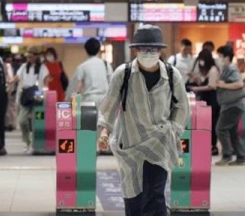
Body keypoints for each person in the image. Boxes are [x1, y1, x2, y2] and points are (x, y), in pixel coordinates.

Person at [98, 25, 189, 216]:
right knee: (133, 197)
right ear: (136, 50)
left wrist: (173, 130)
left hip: (159, 142)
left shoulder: (172, 75)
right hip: (130, 144)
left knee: (155, 194)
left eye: (153, 49)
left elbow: (181, 106)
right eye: (143, 49)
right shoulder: (123, 74)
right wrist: (104, 132)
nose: (148, 53)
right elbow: (109, 105)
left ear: (160, 50)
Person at [10, 46, 49, 153]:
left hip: (38, 95)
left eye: (31, 57)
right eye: (28, 57)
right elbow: (17, 77)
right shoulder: (23, 66)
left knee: (38, 121)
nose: (29, 59)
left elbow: (46, 82)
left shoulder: (43, 68)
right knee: (22, 120)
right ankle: (27, 141)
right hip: (26, 95)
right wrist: (10, 82)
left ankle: (37, 144)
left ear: (36, 57)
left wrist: (45, 94)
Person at [214, 46, 245, 166]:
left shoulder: (231, 68)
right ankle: (241, 157)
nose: (219, 59)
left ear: (226, 57)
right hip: (232, 105)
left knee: (220, 128)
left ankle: (227, 155)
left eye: (220, 56)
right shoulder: (226, 68)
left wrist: (223, 85)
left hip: (233, 105)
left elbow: (239, 84)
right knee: (232, 132)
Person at [188, 49, 220, 156]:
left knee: (212, 123)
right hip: (205, 100)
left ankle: (213, 145)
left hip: (212, 100)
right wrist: (195, 80)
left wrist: (196, 89)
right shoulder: (207, 71)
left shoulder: (213, 70)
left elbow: (212, 86)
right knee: (206, 123)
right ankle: (207, 144)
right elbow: (203, 84)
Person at [66, 38, 113, 106]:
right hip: (104, 101)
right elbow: (112, 83)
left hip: (88, 101)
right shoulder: (106, 65)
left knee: (89, 116)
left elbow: (75, 86)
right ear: (98, 49)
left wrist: (69, 100)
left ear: (86, 50)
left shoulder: (82, 67)